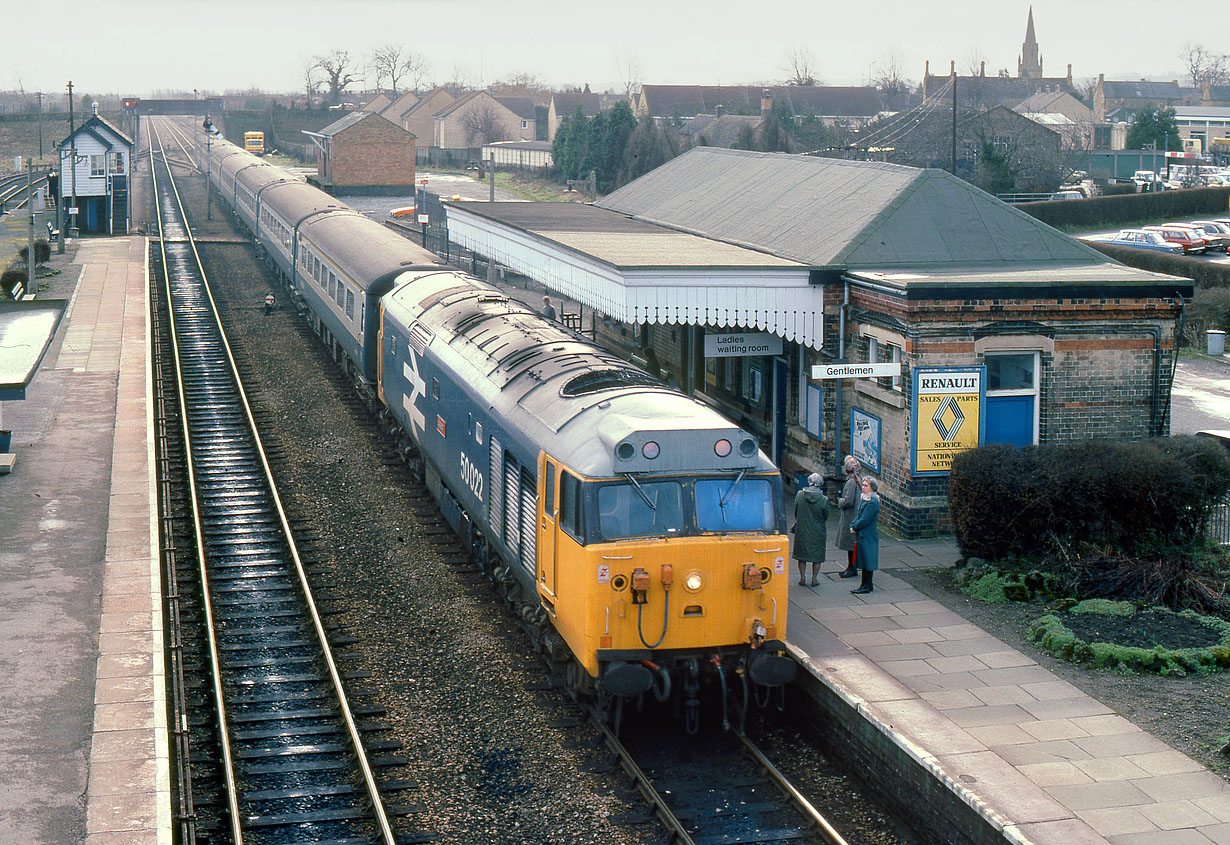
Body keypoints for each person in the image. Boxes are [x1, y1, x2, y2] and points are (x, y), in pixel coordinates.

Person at [792, 472, 829, 586]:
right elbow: (826, 516)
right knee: (816, 557)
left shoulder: (799, 495)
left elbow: (795, 512)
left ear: (809, 482)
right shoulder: (824, 499)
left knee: (801, 556)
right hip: (817, 531)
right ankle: (814, 579)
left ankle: (802, 577)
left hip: (802, 529)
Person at [848, 476, 880, 595]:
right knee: (865, 559)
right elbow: (859, 516)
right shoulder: (866, 500)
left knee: (868, 559)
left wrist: (855, 527)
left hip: (868, 535)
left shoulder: (872, 502)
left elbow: (865, 519)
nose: (863, 487)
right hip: (863, 535)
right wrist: (853, 524)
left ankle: (866, 585)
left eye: (866, 486)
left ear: (872, 488)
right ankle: (867, 584)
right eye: (863, 485)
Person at [835, 455, 862, 578]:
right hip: (855, 515)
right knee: (852, 545)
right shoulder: (858, 480)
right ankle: (851, 567)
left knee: (850, 545)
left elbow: (848, 501)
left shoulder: (851, 482)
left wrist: (839, 501)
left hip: (850, 517)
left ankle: (851, 568)